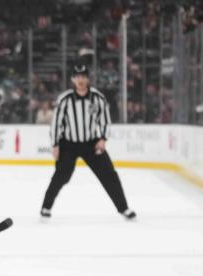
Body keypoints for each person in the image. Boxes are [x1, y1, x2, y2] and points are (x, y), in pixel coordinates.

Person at [42, 64, 136, 220]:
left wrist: (103, 139)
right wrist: (55, 144)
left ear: (88, 79)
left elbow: (105, 121)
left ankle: (123, 208)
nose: (80, 80)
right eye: (77, 77)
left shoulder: (98, 98)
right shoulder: (64, 99)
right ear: (73, 79)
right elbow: (56, 123)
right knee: (61, 176)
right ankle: (46, 206)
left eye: (83, 77)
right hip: (68, 144)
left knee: (109, 175)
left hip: (91, 144)